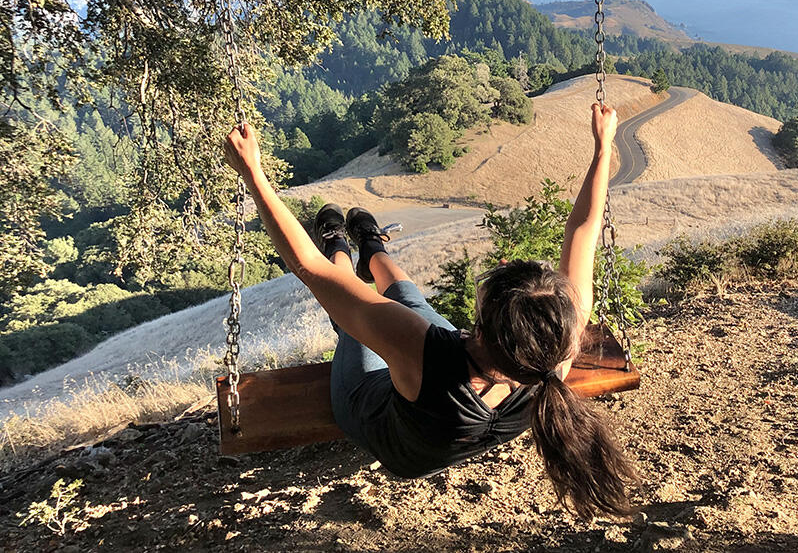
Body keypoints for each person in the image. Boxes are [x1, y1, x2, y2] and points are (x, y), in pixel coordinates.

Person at [223, 104, 636, 518]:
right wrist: (604, 150)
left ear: (484, 320)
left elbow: (309, 270)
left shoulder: (421, 351)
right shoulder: (554, 354)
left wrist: (254, 177)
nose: (504, 267)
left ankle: (338, 246)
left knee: (357, 316)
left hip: (375, 420)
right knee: (409, 303)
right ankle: (372, 246)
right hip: (438, 411)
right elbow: (583, 230)